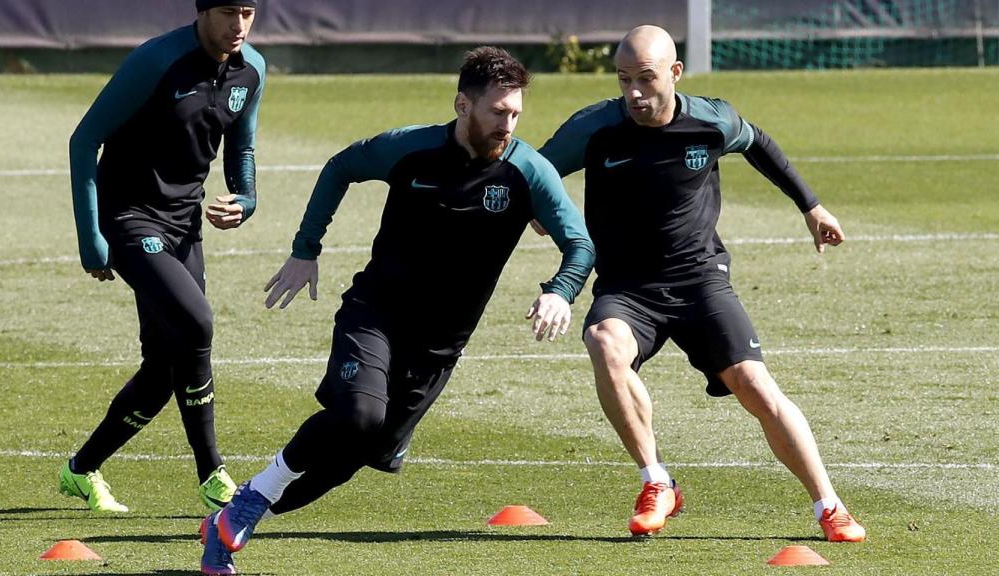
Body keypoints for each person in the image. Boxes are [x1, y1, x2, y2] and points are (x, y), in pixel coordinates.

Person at [199, 46, 595, 574]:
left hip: (438, 349)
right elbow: (341, 166)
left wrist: (559, 291)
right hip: (375, 316)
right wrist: (305, 249)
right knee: (359, 416)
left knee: (352, 456)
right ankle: (248, 504)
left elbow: (581, 244)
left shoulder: (529, 171)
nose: (508, 124)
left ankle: (230, 519)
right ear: (463, 105)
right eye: (497, 112)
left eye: (516, 113)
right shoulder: (410, 150)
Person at [537, 25, 865, 542]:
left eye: (646, 78)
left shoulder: (711, 120)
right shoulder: (594, 127)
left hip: (699, 280)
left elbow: (760, 144)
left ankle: (830, 506)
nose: (635, 94)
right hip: (628, 287)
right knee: (603, 342)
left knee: (754, 385)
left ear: (675, 72)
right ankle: (657, 480)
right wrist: (543, 208)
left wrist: (811, 206)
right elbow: (535, 173)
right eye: (625, 81)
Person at [62, 0, 266, 513]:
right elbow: (85, 139)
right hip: (129, 218)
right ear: (202, 12)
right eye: (226, 11)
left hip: (185, 224)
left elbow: (240, 147)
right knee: (196, 324)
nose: (237, 24)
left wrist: (246, 197)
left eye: (247, 12)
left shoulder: (253, 70)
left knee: (163, 367)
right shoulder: (156, 61)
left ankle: (80, 470)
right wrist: (91, 237)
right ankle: (213, 473)